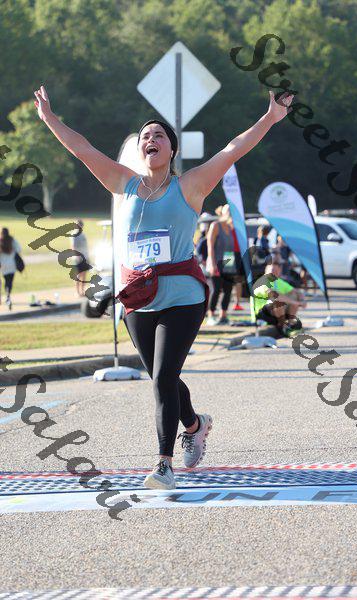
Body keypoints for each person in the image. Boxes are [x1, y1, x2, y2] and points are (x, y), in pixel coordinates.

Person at [34, 84, 294, 489]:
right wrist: (50, 119)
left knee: (162, 377)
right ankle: (195, 424)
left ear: (171, 149)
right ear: (141, 149)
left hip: (183, 296)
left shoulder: (189, 185)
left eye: (158, 135)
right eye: (145, 136)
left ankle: (163, 464)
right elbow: (82, 149)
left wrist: (270, 118)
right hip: (138, 298)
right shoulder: (124, 183)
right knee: (164, 376)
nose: (150, 139)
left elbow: (233, 149)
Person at [251, 257, 306, 336]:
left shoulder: (278, 281)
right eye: (272, 271)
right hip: (262, 315)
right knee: (278, 302)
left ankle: (290, 325)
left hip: (276, 312)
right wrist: (295, 302)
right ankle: (282, 327)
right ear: (266, 271)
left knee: (293, 295)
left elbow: (297, 292)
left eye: (276, 271)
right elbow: (274, 295)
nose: (274, 273)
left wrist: (302, 300)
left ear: (279, 271)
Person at [206, 204, 236, 325]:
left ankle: (223, 316)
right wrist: (212, 263)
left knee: (228, 289)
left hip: (229, 262)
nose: (231, 213)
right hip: (216, 262)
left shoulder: (231, 227)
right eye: (228, 211)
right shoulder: (215, 225)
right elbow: (210, 246)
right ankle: (211, 315)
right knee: (216, 289)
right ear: (223, 212)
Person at [0, 228, 22, 311]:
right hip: (12, 264)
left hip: (3, 265)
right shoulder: (12, 240)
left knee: (5, 280)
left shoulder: (1, 241)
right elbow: (19, 249)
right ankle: (8, 295)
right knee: (9, 281)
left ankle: (6, 295)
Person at [71, 219, 89, 297]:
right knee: (78, 276)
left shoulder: (83, 234)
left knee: (84, 275)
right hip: (78, 258)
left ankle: (82, 290)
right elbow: (73, 247)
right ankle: (77, 292)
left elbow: (85, 246)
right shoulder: (74, 234)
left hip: (84, 257)